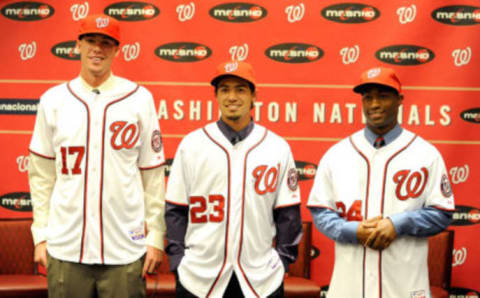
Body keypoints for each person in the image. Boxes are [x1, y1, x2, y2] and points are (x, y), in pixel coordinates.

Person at [28, 14, 166, 298]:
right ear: (78, 45)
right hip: (66, 247)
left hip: (125, 248)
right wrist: (40, 234)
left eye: (106, 43)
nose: (97, 49)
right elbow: (41, 176)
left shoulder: (139, 99)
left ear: (117, 50)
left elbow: (152, 176)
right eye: (91, 41)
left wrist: (154, 237)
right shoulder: (53, 100)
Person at [307, 67, 455, 298]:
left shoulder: (426, 154)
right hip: (349, 285)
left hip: (403, 283)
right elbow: (320, 212)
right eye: (368, 97)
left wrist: (398, 224)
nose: (374, 104)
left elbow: (442, 213)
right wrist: (352, 230)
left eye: (383, 96)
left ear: (400, 100)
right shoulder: (337, 154)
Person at [165, 61, 303, 298]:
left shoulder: (276, 147)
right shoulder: (192, 144)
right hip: (199, 277)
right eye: (225, 89)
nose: (232, 97)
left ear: (254, 96)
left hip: (260, 279)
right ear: (216, 96)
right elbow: (176, 210)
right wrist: (179, 261)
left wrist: (282, 261)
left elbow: (288, 214)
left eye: (240, 89)